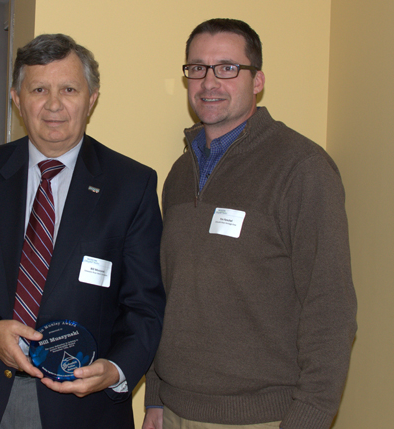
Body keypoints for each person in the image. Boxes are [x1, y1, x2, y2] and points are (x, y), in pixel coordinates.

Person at [0, 33, 165, 429]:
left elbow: (146, 304)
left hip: (84, 408)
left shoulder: (131, 186)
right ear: (17, 99)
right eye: (38, 89)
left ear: (92, 98)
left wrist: (116, 370)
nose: (53, 105)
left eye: (69, 89)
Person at [143, 18, 357, 429]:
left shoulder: (302, 168)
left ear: (257, 80)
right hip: (172, 412)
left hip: (262, 419)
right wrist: (155, 395)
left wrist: (308, 419)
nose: (209, 82)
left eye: (227, 67)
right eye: (197, 68)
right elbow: (167, 291)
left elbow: (331, 306)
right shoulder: (178, 174)